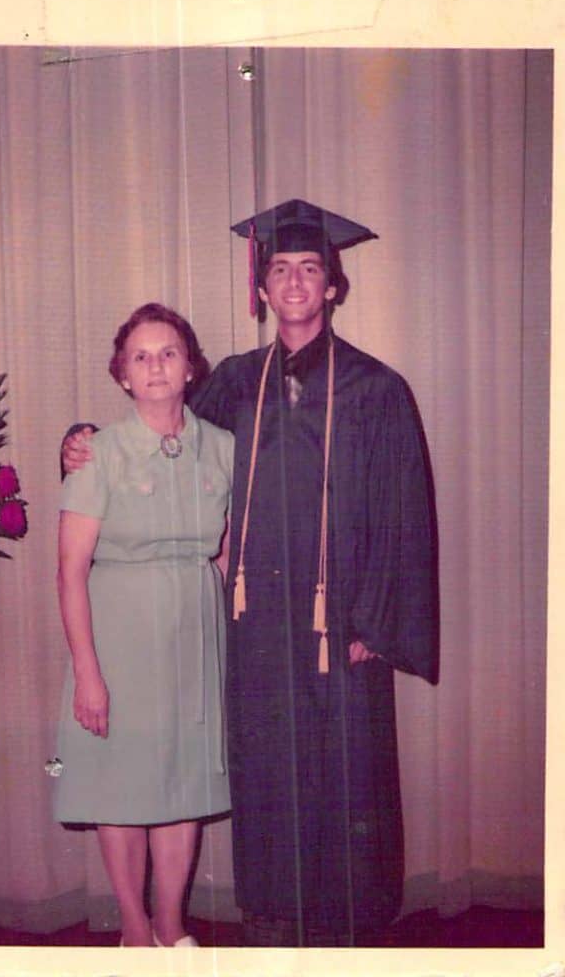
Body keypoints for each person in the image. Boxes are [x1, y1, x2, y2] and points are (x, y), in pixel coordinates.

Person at [62, 199, 439, 947]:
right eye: (279, 269)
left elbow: (406, 515)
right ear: (262, 290)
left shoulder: (378, 389)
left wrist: (375, 623)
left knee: (346, 770)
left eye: (309, 269)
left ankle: (347, 922)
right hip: (258, 620)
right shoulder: (237, 381)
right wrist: (78, 441)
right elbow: (162, 433)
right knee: (267, 765)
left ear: (332, 285)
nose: (294, 282)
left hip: (343, 626)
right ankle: (269, 915)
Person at [54, 302, 233, 948]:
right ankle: (134, 932)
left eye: (168, 352)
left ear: (191, 366)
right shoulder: (96, 453)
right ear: (122, 375)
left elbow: (227, 551)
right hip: (120, 640)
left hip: (194, 636)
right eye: (140, 355)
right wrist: (88, 676)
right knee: (122, 787)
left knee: (181, 784)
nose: (155, 365)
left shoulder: (223, 448)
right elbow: (70, 572)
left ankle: (169, 927)